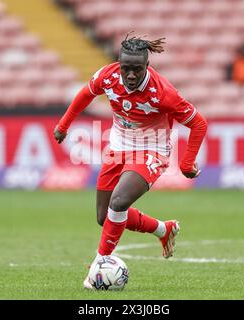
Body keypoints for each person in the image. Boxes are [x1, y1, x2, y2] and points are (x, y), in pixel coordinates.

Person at [53, 34, 208, 289]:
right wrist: (63, 124)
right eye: (126, 68)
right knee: (105, 217)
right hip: (118, 146)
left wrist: (186, 163)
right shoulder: (109, 76)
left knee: (119, 201)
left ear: (147, 66)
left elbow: (198, 123)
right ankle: (163, 229)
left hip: (152, 149)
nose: (131, 75)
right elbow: (85, 93)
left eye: (137, 69)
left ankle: (99, 264)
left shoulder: (163, 93)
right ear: (119, 63)